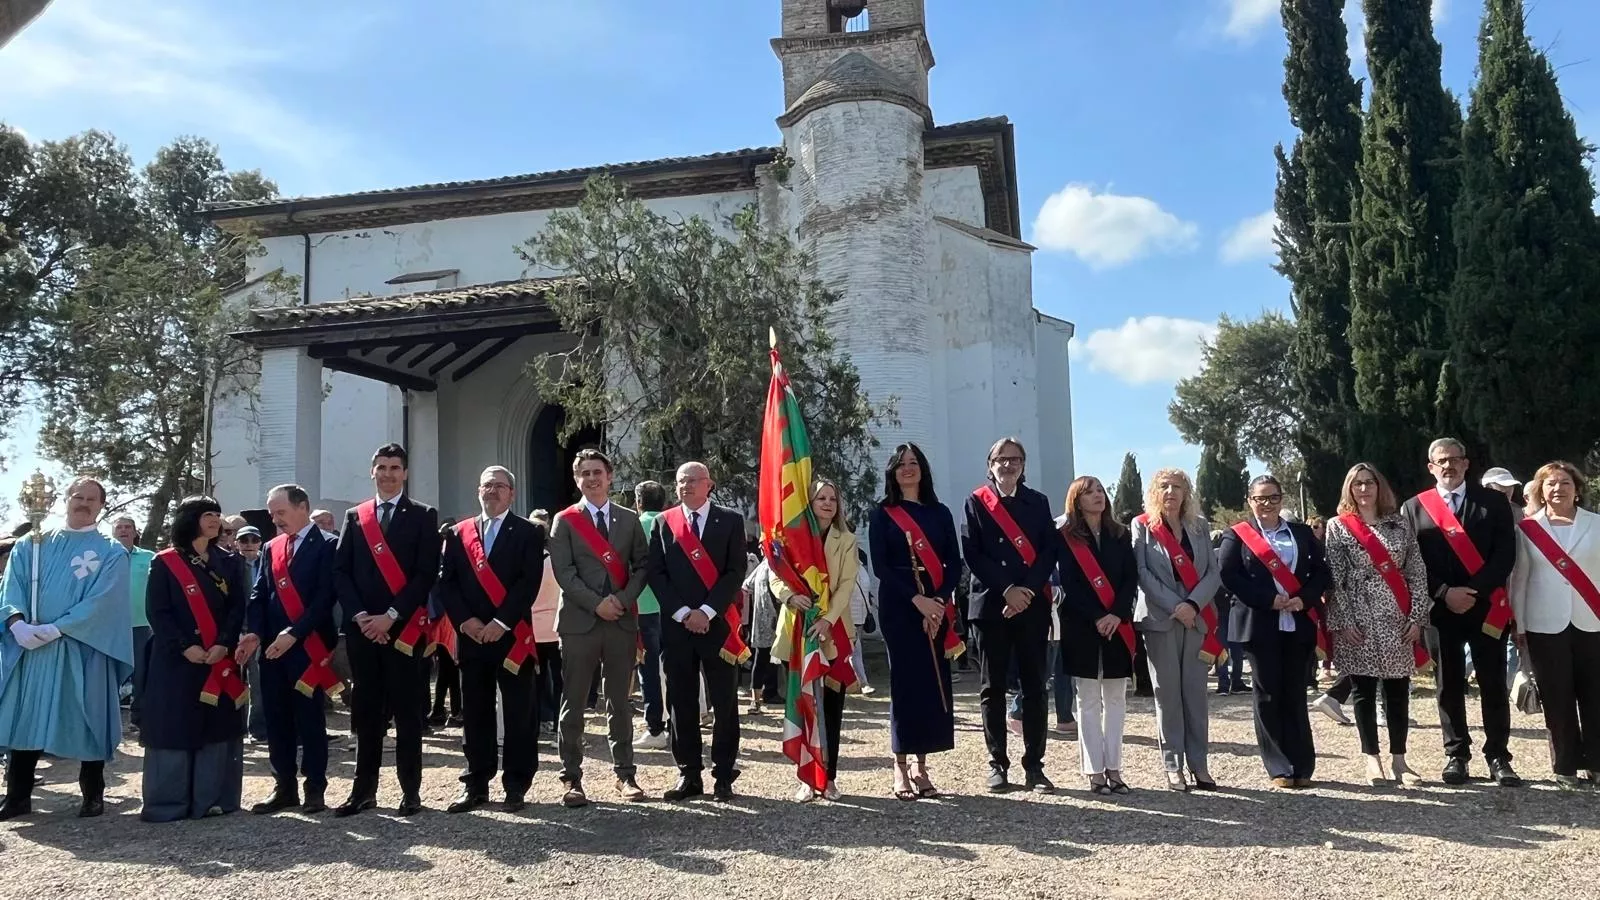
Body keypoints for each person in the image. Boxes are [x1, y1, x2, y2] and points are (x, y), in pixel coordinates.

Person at [0, 476, 132, 819]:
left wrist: (58, 628)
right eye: (78, 496)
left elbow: (105, 601)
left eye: (92, 498)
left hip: (82, 645)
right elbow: (10, 587)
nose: (84, 502)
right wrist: (17, 623)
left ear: (101, 506)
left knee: (87, 717)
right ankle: (17, 797)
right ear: (66, 499)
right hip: (33, 647)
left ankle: (92, 794)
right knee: (25, 718)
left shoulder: (110, 551)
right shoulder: (32, 543)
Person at [1401, 437, 1520, 787]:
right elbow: (1412, 562)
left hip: (1484, 607)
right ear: (1431, 467)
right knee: (1448, 684)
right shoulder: (1415, 507)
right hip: (1440, 609)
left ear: (1467, 464)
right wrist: (1444, 592)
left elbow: (1505, 554)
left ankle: (1498, 755)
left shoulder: (1493, 503)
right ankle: (1457, 753)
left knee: (1493, 682)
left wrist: (1474, 591)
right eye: (1441, 461)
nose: (1448, 466)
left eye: (1455, 459)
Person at [331, 443, 440, 818]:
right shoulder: (355, 516)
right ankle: (364, 791)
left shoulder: (424, 516)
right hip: (364, 631)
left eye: (395, 467)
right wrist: (363, 615)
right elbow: (341, 571)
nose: (388, 473)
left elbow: (425, 573)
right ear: (372, 471)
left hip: (404, 629)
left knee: (409, 713)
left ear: (405, 473)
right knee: (367, 712)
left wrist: (391, 615)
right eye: (382, 467)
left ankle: (410, 791)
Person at [436, 466, 545, 813]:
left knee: (518, 713)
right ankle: (476, 783)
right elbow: (447, 582)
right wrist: (465, 621)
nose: (493, 491)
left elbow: (529, 582)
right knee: (475, 712)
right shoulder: (458, 533)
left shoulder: (528, 532)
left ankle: (516, 784)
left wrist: (501, 621)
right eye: (487, 485)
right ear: (478, 491)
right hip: (472, 636)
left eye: (500, 486)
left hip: (512, 635)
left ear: (512, 493)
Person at [548, 448, 650, 807]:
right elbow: (565, 573)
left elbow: (642, 566)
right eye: (584, 473)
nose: (592, 478)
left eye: (597, 472)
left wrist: (621, 600)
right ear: (577, 480)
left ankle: (625, 774)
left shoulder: (628, 519)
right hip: (579, 623)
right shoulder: (564, 520)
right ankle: (571, 779)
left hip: (620, 621)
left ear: (610, 476)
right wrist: (597, 603)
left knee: (619, 701)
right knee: (574, 702)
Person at [961, 437, 1062, 794]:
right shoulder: (975, 502)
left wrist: (1027, 591)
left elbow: (1050, 550)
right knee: (994, 688)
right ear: (990, 464)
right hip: (992, 604)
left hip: (1031, 606)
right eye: (1001, 459)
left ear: (1023, 464)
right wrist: (1007, 589)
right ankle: (997, 763)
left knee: (1035, 686)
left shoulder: (1038, 502)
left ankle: (1034, 766)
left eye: (1015, 458)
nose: (1008, 464)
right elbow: (972, 553)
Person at [140, 496, 249, 822]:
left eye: (217, 513)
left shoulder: (229, 561)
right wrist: (184, 645)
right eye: (207, 514)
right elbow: (157, 611)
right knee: (174, 723)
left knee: (217, 725)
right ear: (190, 519)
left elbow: (237, 609)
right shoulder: (165, 562)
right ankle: (168, 804)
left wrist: (223, 644)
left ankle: (213, 799)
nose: (215, 519)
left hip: (219, 660)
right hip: (176, 661)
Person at [1221, 475, 1331, 789]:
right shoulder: (1237, 535)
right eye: (1260, 498)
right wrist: (1268, 600)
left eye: (1273, 497)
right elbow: (1230, 576)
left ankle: (1302, 765)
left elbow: (1321, 572)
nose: (1267, 504)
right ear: (1250, 500)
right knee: (1268, 694)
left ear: (1282, 499)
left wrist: (1304, 598)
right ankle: (1279, 765)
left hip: (1297, 621)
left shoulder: (1300, 533)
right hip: (1260, 622)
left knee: (1296, 692)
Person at [648, 461, 749, 802]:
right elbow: (656, 573)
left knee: (724, 702)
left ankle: (723, 775)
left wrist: (706, 611)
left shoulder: (730, 521)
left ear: (710, 484)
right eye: (680, 481)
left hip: (717, 625)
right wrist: (681, 612)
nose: (686, 486)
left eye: (693, 480)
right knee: (681, 702)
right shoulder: (664, 522)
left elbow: (735, 572)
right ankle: (688, 773)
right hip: (677, 628)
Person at [1324, 464, 1431, 786]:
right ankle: (1372, 759)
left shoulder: (1398, 524)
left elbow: (1417, 573)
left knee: (1398, 691)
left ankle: (1400, 759)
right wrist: (1342, 621)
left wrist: (1417, 618)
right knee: (1364, 692)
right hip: (1358, 618)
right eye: (1357, 484)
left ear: (1379, 486)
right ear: (1349, 489)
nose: (1364, 489)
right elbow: (1335, 579)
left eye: (1369, 482)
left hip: (1397, 617)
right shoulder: (1337, 526)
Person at [869, 442, 964, 801]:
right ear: (892, 472)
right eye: (901, 464)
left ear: (922, 469)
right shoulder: (882, 514)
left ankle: (922, 765)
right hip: (900, 606)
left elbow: (953, 564)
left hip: (936, 607)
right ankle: (899, 763)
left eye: (914, 463)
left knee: (931, 684)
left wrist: (937, 602)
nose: (907, 469)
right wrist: (917, 600)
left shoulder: (940, 513)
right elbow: (880, 566)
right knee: (905, 685)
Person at [240, 483, 339, 814]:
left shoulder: (328, 545)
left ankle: (315, 787)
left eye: (280, 512)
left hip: (307, 646)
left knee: (309, 717)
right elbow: (259, 594)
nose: (275, 519)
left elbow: (324, 599)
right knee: (276, 717)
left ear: (303, 507)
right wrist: (254, 633)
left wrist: (294, 634)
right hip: (272, 648)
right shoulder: (270, 547)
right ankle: (284, 785)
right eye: (271, 513)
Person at [1508, 462, 1600, 789]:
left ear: (1577, 489)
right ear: (1540, 491)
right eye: (1550, 484)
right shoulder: (1528, 529)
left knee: (1595, 694)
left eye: (1565, 482)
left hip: (1593, 620)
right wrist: (1518, 622)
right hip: (1544, 623)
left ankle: (1597, 763)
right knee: (1557, 696)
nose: (1558, 488)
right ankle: (1565, 765)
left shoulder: (1597, 524)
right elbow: (1519, 579)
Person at [770, 477, 861, 803]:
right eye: (820, 497)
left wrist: (826, 620)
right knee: (802, 703)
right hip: (796, 632)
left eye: (832, 499)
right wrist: (790, 595)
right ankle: (807, 779)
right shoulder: (793, 537)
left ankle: (830, 777)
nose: (826, 503)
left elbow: (847, 585)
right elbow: (774, 572)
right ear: (808, 503)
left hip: (832, 632)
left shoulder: (847, 540)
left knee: (831, 711)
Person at [1132, 467, 1221, 791]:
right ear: (1156, 491)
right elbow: (1142, 572)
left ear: (1187, 492)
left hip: (1196, 619)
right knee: (1167, 694)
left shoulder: (1200, 527)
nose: (1170, 492)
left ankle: (1200, 764)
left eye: (1177, 487)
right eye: (1164, 486)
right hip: (1160, 619)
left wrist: (1193, 605)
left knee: (1195, 694)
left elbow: (1213, 572)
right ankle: (1173, 766)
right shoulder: (1142, 526)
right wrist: (1176, 606)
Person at [1056, 476, 1136, 795]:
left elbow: (1130, 577)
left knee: (1116, 698)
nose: (1097, 496)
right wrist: (1097, 615)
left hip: (1117, 623)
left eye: (1101, 490)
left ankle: (1114, 768)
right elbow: (1070, 583)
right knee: (1088, 699)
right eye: (1089, 492)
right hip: (1081, 623)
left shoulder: (1120, 534)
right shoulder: (1065, 537)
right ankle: (1094, 770)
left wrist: (1115, 613)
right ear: (1076, 500)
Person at [632, 480, 670, 750]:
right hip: (671, 606)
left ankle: (655, 727)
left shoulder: (635, 526)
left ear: (638, 501)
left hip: (643, 608)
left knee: (648, 672)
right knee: (675, 668)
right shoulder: (673, 521)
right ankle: (676, 723)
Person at [113, 516, 156, 728]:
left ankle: (138, 718)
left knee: (141, 672)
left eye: (127, 527)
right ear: (113, 532)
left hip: (142, 624)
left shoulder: (150, 557)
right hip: (111, 625)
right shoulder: (105, 557)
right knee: (111, 672)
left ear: (135, 532)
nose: (123, 530)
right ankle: (108, 718)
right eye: (119, 527)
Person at [233, 526, 269, 742]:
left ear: (260, 542)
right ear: (236, 543)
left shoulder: (268, 562)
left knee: (258, 683)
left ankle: (257, 729)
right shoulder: (229, 564)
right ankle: (235, 728)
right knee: (233, 682)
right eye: (243, 539)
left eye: (253, 539)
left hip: (259, 632)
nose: (248, 543)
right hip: (234, 631)